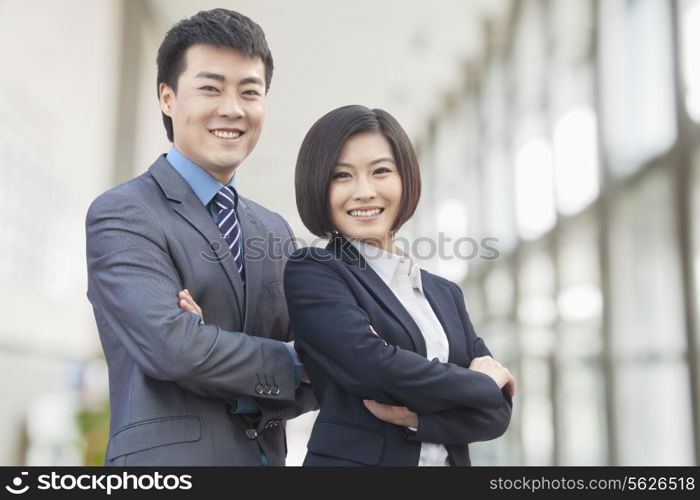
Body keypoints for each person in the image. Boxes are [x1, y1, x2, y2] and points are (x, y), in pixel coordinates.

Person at [85, 9, 316, 466]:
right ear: (167, 98)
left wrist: (213, 343)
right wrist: (291, 361)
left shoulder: (273, 230)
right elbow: (175, 350)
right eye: (211, 88)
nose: (232, 108)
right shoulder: (124, 214)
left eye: (250, 91)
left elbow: (323, 360)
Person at [282, 105, 514, 466]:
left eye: (381, 171)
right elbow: (374, 369)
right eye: (342, 176)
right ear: (318, 186)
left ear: (405, 179)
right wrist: (481, 382)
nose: (364, 192)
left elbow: (496, 414)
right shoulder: (316, 272)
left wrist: (417, 419)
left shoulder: (444, 294)